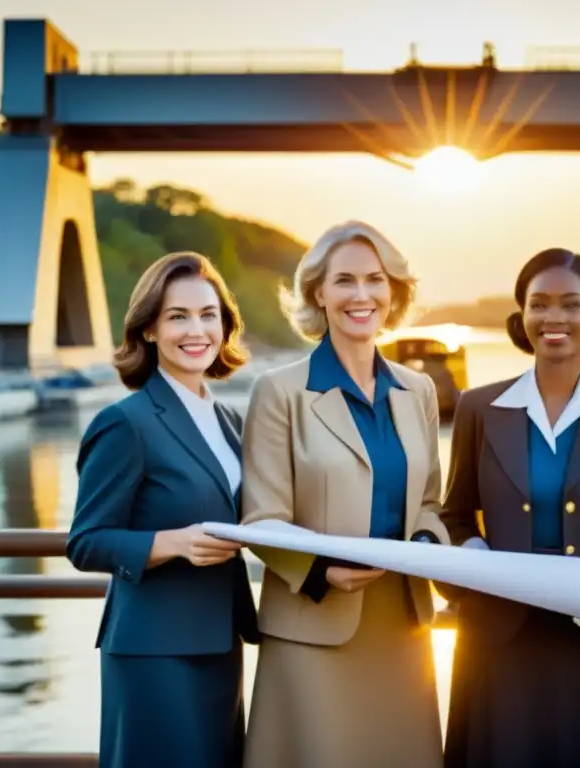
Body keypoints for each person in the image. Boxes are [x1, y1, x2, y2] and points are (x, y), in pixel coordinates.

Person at [439, 247, 580, 768]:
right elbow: (453, 516)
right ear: (522, 316)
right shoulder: (481, 407)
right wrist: (478, 559)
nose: (554, 318)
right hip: (497, 642)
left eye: (571, 304)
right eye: (539, 304)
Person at [240, 220, 451, 768]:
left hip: (402, 626)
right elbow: (260, 518)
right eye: (345, 281)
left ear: (394, 292)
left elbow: (430, 501)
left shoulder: (419, 390)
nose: (362, 296)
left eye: (376, 280)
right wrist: (322, 570)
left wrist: (427, 539)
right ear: (318, 293)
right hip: (314, 625)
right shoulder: (278, 392)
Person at [66, 252, 259, 768]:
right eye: (178, 316)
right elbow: (85, 541)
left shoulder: (229, 420)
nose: (196, 329)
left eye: (208, 314)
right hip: (154, 651)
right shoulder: (124, 423)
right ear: (149, 329)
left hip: (220, 643)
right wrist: (171, 542)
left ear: (224, 325)